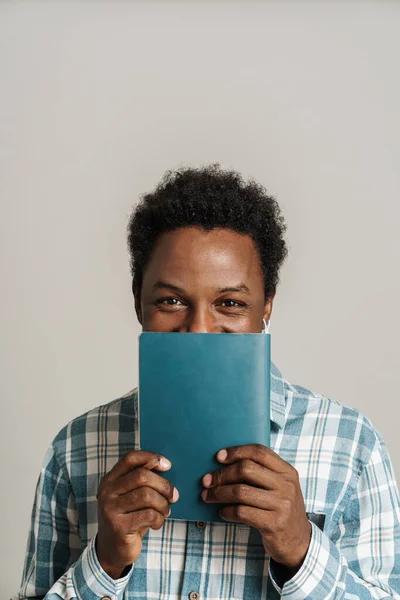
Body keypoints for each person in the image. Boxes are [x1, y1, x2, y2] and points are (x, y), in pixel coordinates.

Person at [15, 165, 400, 600]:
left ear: (266, 308)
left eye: (230, 303)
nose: (198, 328)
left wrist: (300, 548)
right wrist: (104, 561)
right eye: (171, 300)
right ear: (139, 303)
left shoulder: (351, 445)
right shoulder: (76, 447)